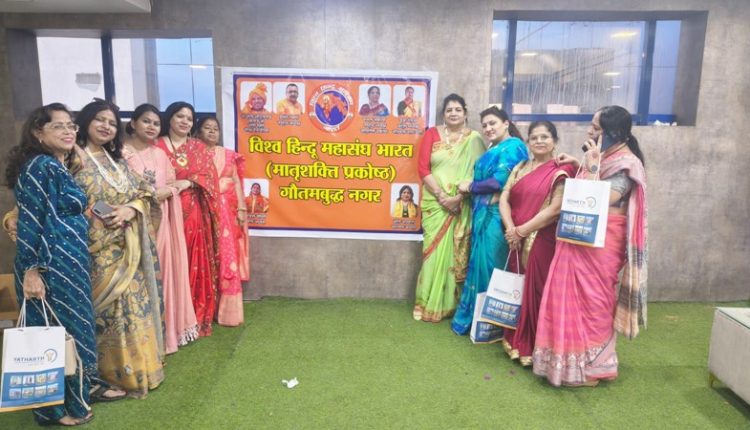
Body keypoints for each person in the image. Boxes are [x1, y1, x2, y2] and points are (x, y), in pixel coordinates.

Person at [532, 105, 648, 387]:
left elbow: (601, 199)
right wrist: (580, 163)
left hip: (602, 243)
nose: (589, 131)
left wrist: (592, 166)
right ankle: (567, 365)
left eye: (596, 128)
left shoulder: (627, 164)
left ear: (614, 133)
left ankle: (594, 367)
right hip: (578, 237)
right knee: (568, 296)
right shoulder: (603, 156)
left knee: (595, 300)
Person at [5, 104, 96, 425]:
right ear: (37, 132)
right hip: (50, 266)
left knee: (72, 332)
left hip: (69, 264)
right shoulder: (40, 166)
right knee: (54, 337)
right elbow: (32, 221)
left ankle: (75, 401)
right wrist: (32, 270)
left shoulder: (56, 164)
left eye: (71, 125)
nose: (68, 131)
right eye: (58, 126)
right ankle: (53, 411)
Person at [72, 99, 164, 396]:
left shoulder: (119, 163)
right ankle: (103, 377)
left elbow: (146, 193)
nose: (106, 126)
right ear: (85, 122)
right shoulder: (72, 160)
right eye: (100, 120)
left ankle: (138, 372)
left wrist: (129, 210)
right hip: (92, 251)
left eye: (112, 123)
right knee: (108, 314)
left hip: (127, 248)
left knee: (131, 309)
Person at [498, 120, 576, 365]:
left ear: (555, 141)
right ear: (528, 142)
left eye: (545, 137)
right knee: (518, 287)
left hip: (541, 239)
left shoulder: (561, 170)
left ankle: (537, 346)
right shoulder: (520, 167)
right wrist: (511, 229)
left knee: (539, 290)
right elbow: (504, 197)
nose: (539, 141)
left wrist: (522, 231)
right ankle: (515, 339)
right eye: (534, 137)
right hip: (514, 239)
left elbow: (556, 209)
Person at [122, 103, 199, 354]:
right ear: (133, 123)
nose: (151, 127)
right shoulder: (121, 154)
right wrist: (159, 192)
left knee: (164, 272)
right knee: (139, 276)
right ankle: (141, 338)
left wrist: (171, 189)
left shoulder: (160, 154)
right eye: (146, 121)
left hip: (163, 221)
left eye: (155, 123)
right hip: (132, 223)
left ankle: (165, 333)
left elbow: (170, 184)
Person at [451, 106, 528, 336]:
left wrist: (470, 186)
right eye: (484, 125)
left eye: (493, 123)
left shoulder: (514, 146)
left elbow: (499, 181)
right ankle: (476, 320)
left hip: (496, 216)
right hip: (482, 213)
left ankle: (492, 325)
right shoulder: (494, 147)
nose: (488, 128)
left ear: (506, 123)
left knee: (490, 265)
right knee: (479, 264)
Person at [412, 94, 485, 322]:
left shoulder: (474, 139)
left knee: (456, 254)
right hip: (435, 204)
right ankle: (425, 301)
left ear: (465, 113)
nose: (453, 113)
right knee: (432, 252)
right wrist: (443, 197)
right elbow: (423, 169)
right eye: (449, 110)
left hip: (461, 203)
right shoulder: (431, 134)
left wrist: (458, 198)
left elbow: (479, 173)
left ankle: (451, 304)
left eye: (457, 109)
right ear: (443, 114)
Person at [155, 102, 219, 337]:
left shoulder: (198, 147)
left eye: (189, 118)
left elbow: (210, 177)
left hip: (192, 212)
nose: (184, 121)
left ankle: (193, 317)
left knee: (192, 260)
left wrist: (188, 182)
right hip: (161, 211)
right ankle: (168, 319)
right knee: (166, 261)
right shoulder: (156, 145)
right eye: (180, 116)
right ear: (169, 118)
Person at [195, 116, 249, 326]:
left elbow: (236, 181)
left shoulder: (227, 155)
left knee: (227, 257)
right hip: (201, 209)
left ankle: (229, 313)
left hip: (226, 213)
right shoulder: (193, 155)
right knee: (204, 257)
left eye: (215, 129)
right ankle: (205, 309)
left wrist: (242, 208)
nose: (212, 131)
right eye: (207, 128)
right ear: (198, 132)